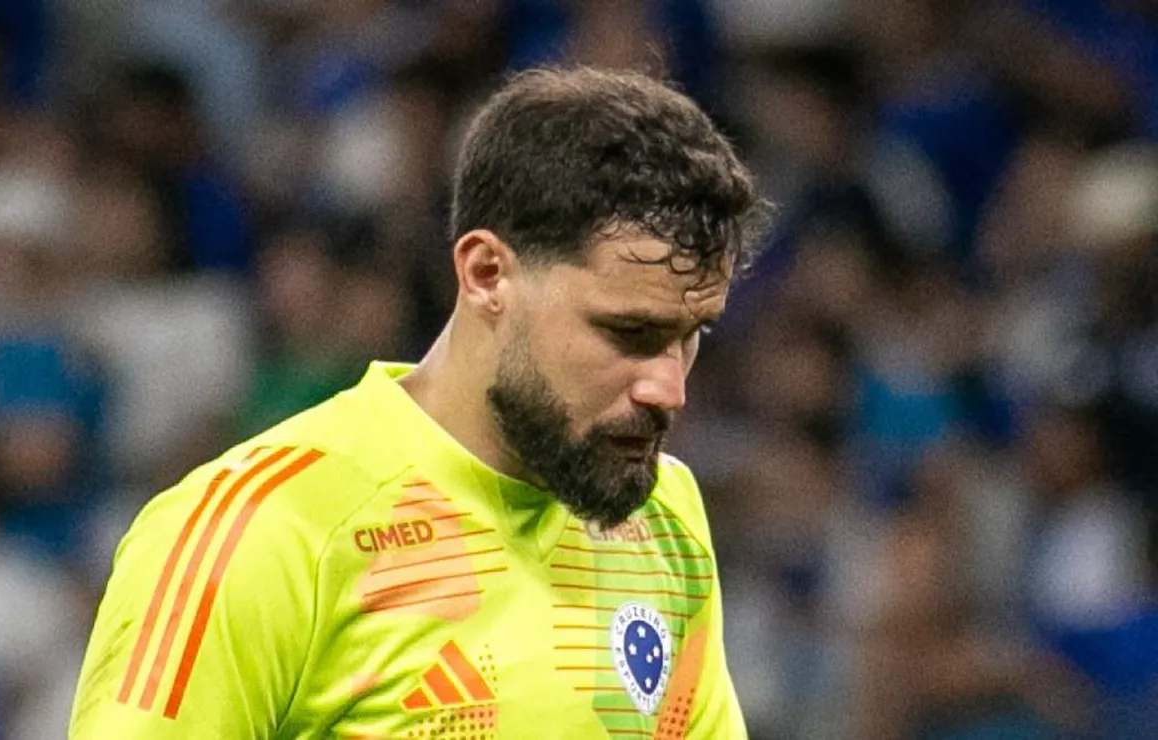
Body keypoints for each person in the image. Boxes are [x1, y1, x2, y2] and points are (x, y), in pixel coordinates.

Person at [68, 66, 768, 739]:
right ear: (487, 272)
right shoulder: (262, 528)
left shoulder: (662, 511)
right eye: (629, 332)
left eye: (690, 335)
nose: (668, 388)